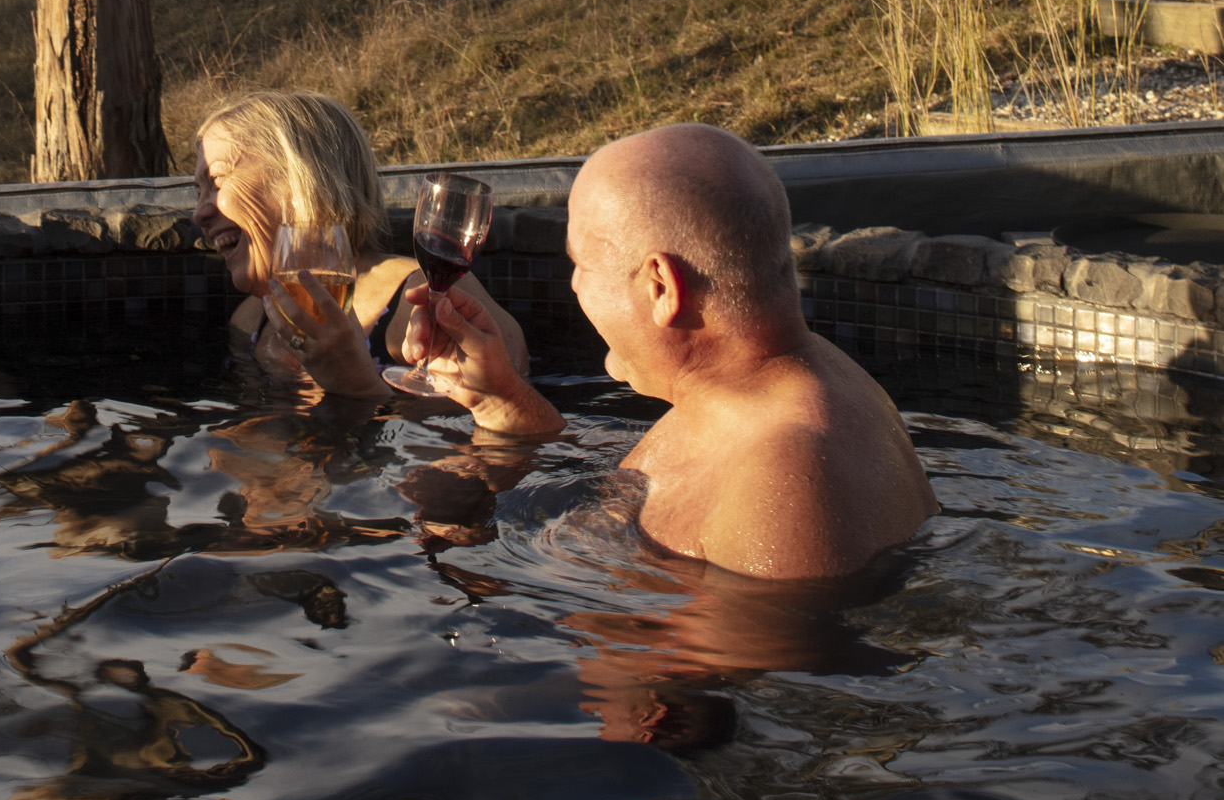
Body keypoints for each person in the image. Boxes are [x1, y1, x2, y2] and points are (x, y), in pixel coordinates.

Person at [401, 120, 938, 579]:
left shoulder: (786, 473)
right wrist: (501, 401)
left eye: (581, 265)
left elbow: (712, 687)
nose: (573, 287)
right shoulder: (754, 393)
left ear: (660, 287)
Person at [193, 90, 555, 426]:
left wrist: (356, 385)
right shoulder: (250, 320)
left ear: (298, 182)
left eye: (218, 180)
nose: (198, 213)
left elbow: (486, 461)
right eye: (198, 191)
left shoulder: (425, 305)